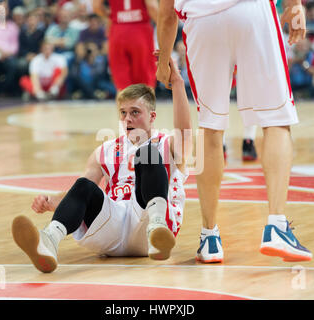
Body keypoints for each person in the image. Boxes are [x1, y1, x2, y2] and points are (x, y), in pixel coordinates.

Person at [156, 0, 313, 263]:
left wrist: (163, 60)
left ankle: (209, 238)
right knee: (275, 119)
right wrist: (295, 5)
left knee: (210, 127)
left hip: (201, 22)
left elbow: (166, 13)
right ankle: (276, 225)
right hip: (251, 12)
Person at [12, 57, 192, 273]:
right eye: (123, 113)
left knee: (147, 154)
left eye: (135, 112)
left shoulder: (167, 143)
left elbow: (184, 131)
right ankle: (49, 240)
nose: (128, 119)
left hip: (148, 224)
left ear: (152, 116)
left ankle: (157, 228)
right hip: (112, 227)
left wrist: (178, 83)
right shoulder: (105, 150)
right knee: (84, 186)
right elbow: (79, 196)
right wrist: (54, 202)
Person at [92, 0, 159, 91]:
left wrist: (112, 15)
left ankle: (124, 104)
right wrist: (162, 25)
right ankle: (145, 104)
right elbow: (152, 7)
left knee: (122, 86)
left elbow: (96, 7)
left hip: (117, 29)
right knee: (145, 84)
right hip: (140, 29)